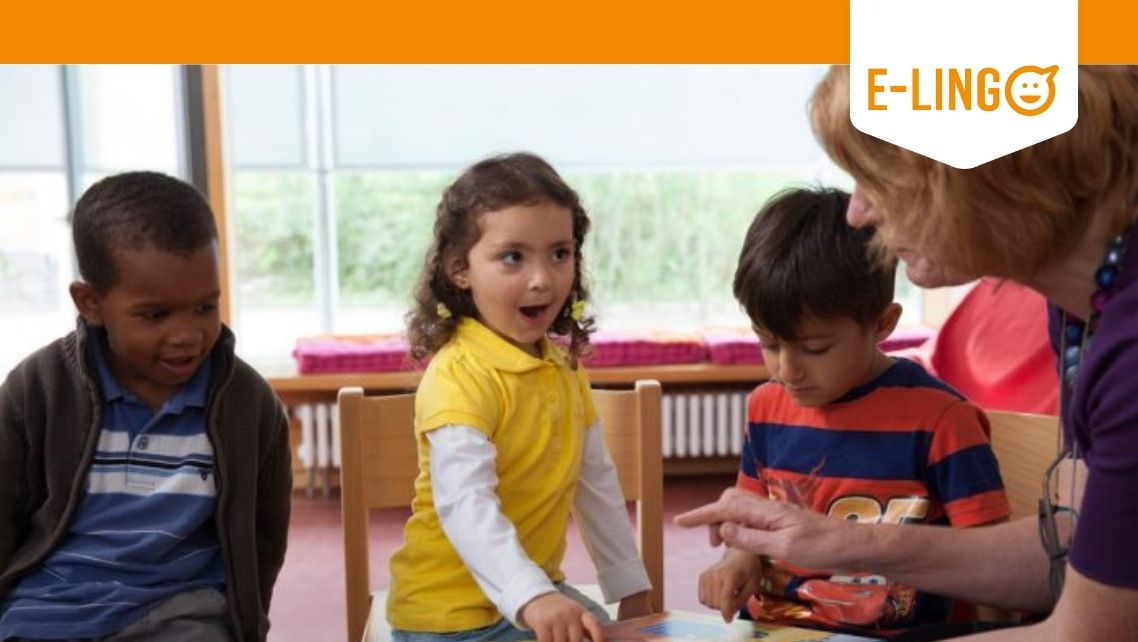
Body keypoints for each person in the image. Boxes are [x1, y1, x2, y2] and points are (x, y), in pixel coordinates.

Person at [677, 66, 1138, 641]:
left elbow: (1088, 631)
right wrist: (841, 541)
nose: (858, 212)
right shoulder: (1080, 308)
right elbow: (1071, 549)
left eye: (882, 180)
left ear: (987, 170)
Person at [697, 187, 1009, 636]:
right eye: (768, 343)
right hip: (777, 628)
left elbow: (991, 563)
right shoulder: (766, 407)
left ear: (883, 323)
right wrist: (736, 562)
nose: (787, 370)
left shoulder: (941, 420)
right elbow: (751, 528)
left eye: (815, 348)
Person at [0, 172, 291, 641]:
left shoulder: (248, 404)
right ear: (90, 302)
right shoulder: (36, 389)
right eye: (155, 315)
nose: (187, 335)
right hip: (51, 607)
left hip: (182, 611)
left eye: (205, 307)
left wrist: (247, 622)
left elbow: (264, 537)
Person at [387, 153, 654, 642]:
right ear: (459, 268)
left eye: (560, 253)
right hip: (449, 619)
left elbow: (594, 483)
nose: (542, 278)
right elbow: (466, 505)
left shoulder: (564, 368)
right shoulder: (459, 376)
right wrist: (533, 597)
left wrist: (629, 587)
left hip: (531, 597)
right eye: (513, 257)